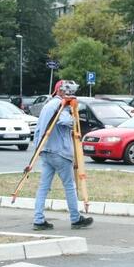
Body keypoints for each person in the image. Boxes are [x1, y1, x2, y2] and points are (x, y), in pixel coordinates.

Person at [31, 80, 93, 230]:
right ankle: (75, 218)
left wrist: (38, 149)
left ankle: (38, 220)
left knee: (43, 187)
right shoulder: (60, 106)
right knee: (70, 186)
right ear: (61, 91)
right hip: (60, 152)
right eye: (68, 92)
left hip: (45, 151)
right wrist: (73, 116)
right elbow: (66, 121)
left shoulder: (47, 106)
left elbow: (38, 130)